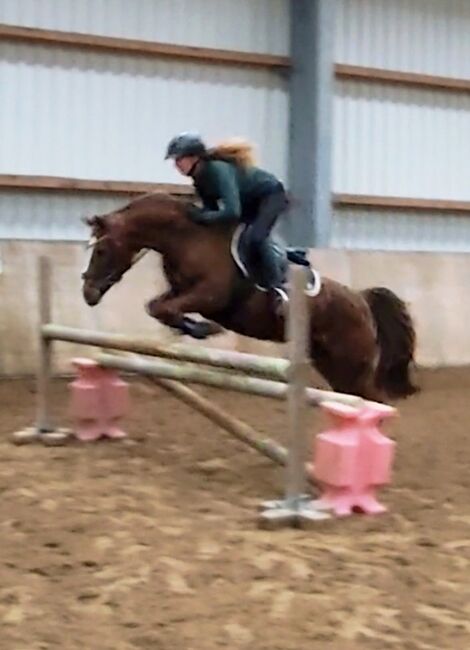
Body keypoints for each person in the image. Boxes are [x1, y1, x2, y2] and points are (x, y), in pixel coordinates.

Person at [165, 132, 289, 295]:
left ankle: (278, 287)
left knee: (255, 238)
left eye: (179, 159)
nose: (176, 165)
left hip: (270, 196)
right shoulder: (199, 179)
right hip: (248, 201)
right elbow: (211, 210)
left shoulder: (218, 170)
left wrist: (201, 216)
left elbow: (232, 211)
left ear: (194, 157)